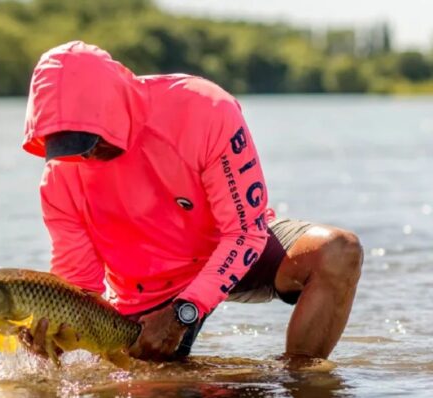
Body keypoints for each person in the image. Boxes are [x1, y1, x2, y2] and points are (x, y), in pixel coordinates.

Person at [18, 41, 363, 363]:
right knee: (153, 391)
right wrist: (56, 336)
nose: (86, 154)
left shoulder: (205, 109)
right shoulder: (58, 179)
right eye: (67, 144)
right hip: (146, 296)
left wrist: (186, 310)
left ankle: (299, 382)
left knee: (338, 252)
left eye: (88, 139)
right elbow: (81, 288)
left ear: (116, 106)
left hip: (232, 250)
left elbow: (245, 232)